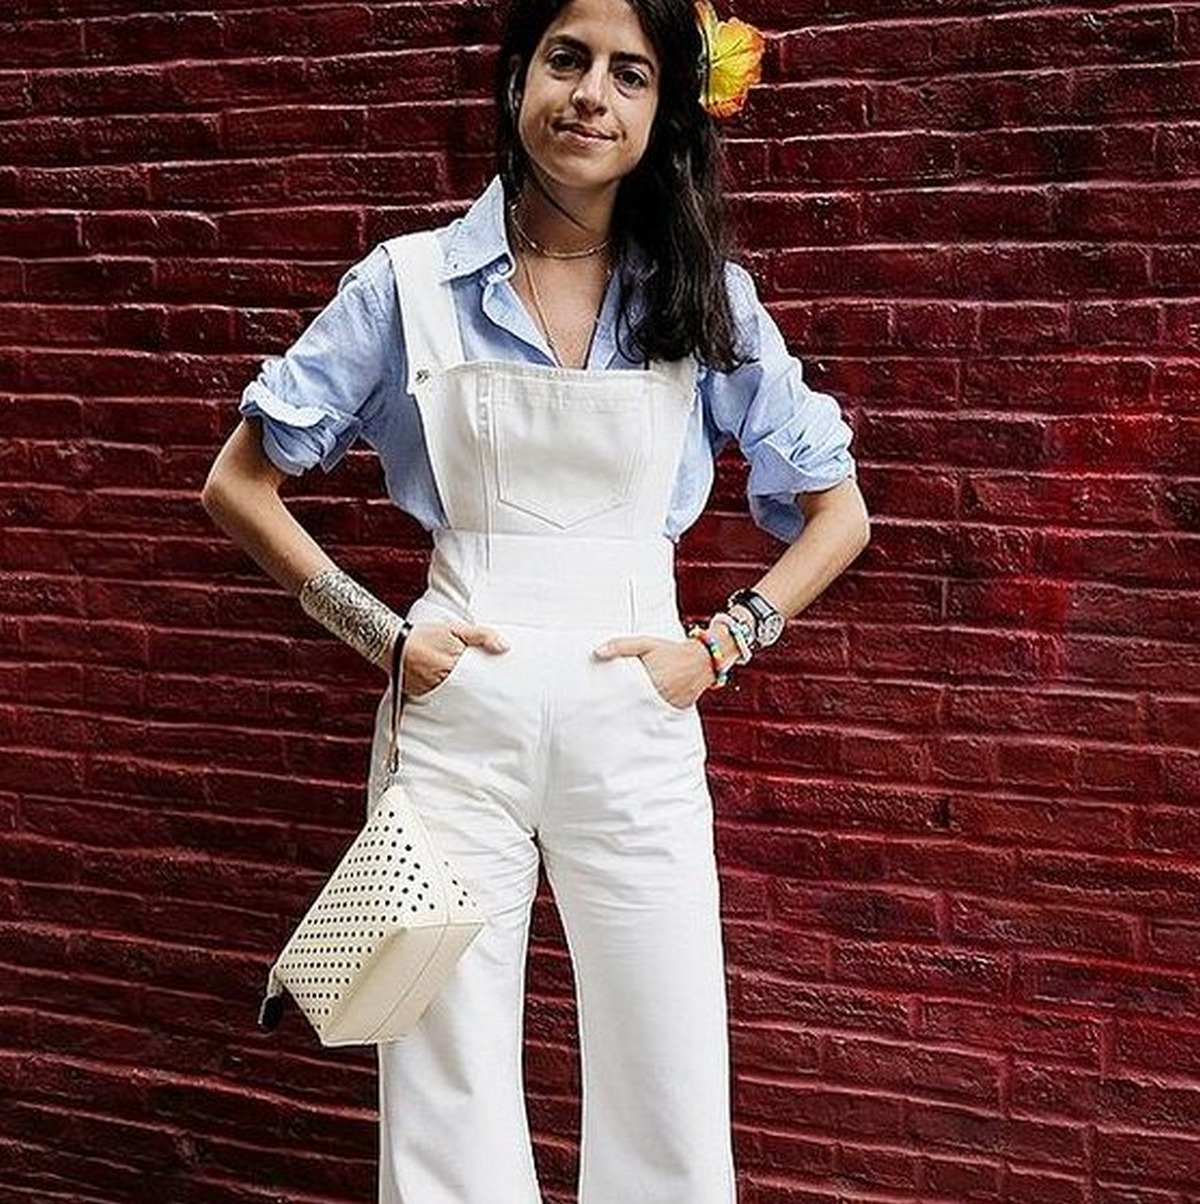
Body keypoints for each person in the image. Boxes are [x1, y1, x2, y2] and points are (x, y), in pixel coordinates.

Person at [202, 0, 870, 1199]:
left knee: (668, 1073)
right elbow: (238, 484)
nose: (591, 96)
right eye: (567, 60)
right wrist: (385, 637)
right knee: (442, 1081)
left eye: (629, 74)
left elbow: (841, 513)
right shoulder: (405, 284)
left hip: (640, 718)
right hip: (460, 722)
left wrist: (715, 648)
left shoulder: (702, 298)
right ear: (519, 79)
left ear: (663, 113)